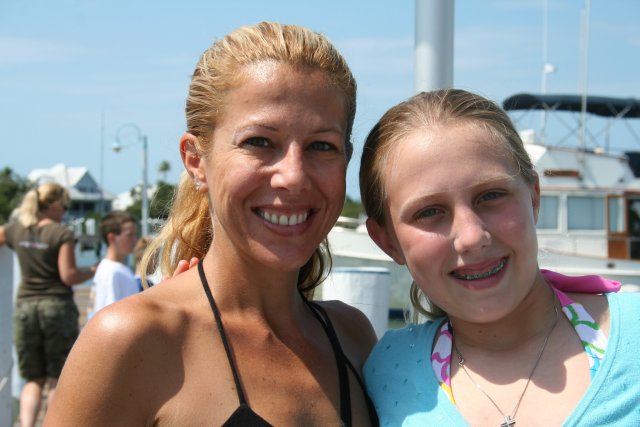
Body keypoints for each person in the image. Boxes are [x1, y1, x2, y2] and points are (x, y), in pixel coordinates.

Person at [44, 21, 378, 426]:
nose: (293, 176)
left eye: (321, 146)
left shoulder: (353, 338)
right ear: (195, 160)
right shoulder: (134, 342)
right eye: (259, 142)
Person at [360, 89, 640, 426]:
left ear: (533, 198)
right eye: (429, 212)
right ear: (387, 242)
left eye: (491, 195)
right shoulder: (387, 370)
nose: (472, 237)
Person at [0, 182, 95, 427]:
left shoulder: (16, 230)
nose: (65, 211)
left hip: (25, 308)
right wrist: (92, 270)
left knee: (33, 379)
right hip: (56, 307)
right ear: (54, 206)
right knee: (56, 378)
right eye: (65, 206)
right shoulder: (61, 233)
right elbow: (68, 276)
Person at [88, 210, 139, 317]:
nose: (135, 240)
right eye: (129, 235)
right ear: (111, 238)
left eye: (135, 235)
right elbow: (108, 315)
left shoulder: (113, 268)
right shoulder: (112, 272)